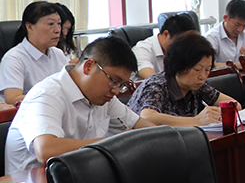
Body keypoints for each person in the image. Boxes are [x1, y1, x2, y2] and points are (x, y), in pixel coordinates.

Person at [5, 36, 155, 174]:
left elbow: (142, 127)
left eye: (121, 85)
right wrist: (114, 143)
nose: (116, 91)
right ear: (89, 66)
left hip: (79, 176)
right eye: (114, 81)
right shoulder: (47, 94)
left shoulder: (104, 97)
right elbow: (46, 150)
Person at [127, 32, 240, 126]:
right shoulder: (156, 85)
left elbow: (235, 105)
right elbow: (147, 117)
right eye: (197, 70)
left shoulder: (196, 85)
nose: (202, 76)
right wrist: (196, 121)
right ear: (178, 66)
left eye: (207, 70)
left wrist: (218, 113)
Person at [1, 1, 70, 105]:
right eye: (51, 24)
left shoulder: (58, 54)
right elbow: (13, 99)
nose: (57, 30)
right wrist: (52, 98)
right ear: (30, 27)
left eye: (59, 24)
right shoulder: (14, 58)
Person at [132, 13, 197, 79]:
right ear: (166, 34)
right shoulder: (142, 50)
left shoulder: (184, 50)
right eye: (180, 43)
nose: (183, 47)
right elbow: (151, 79)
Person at [204, 0, 245, 64]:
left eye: (244, 25)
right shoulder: (212, 37)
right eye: (237, 24)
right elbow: (208, 64)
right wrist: (237, 65)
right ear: (225, 18)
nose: (240, 29)